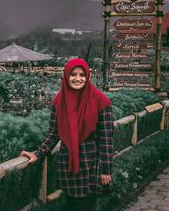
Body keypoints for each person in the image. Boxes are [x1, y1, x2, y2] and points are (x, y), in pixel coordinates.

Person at [20, 58, 114, 211]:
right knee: (71, 205)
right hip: (68, 163)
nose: (77, 79)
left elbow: (106, 139)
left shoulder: (100, 101)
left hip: (90, 162)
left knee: (86, 206)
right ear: (66, 76)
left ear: (88, 76)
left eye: (82, 75)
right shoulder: (59, 100)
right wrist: (38, 153)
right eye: (73, 74)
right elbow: (54, 133)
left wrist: (106, 170)